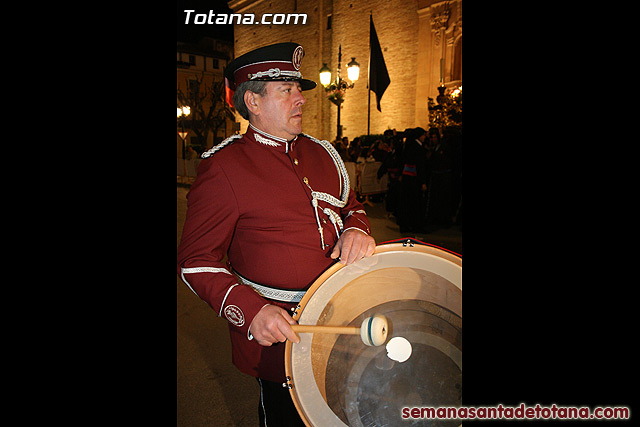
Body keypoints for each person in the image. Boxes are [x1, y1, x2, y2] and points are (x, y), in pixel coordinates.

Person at [176, 42, 376, 426]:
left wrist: (357, 228)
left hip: (347, 317)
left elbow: (352, 208)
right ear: (253, 100)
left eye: (298, 89)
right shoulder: (225, 167)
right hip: (284, 333)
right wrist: (250, 312)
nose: (300, 99)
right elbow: (194, 262)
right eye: (287, 90)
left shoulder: (323, 153)